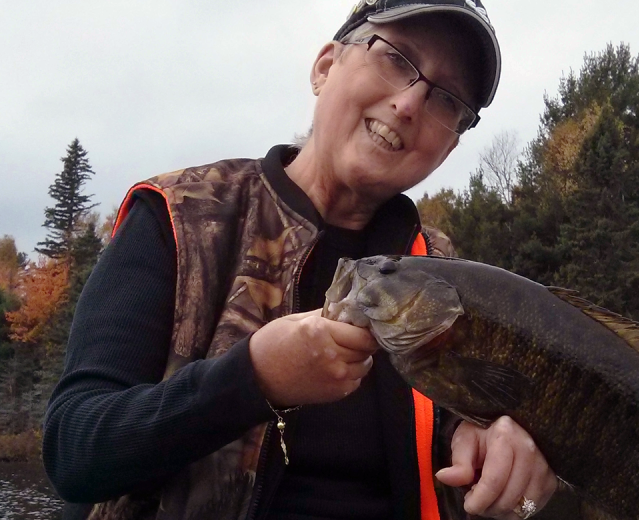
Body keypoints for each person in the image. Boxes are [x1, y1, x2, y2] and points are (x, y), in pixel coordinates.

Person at [42, 1, 558, 519]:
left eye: (446, 99)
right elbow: (74, 451)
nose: (409, 103)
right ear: (325, 67)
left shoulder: (443, 273)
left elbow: (467, 429)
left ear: (448, 148)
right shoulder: (178, 217)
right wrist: (252, 378)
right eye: (398, 59)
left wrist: (500, 457)